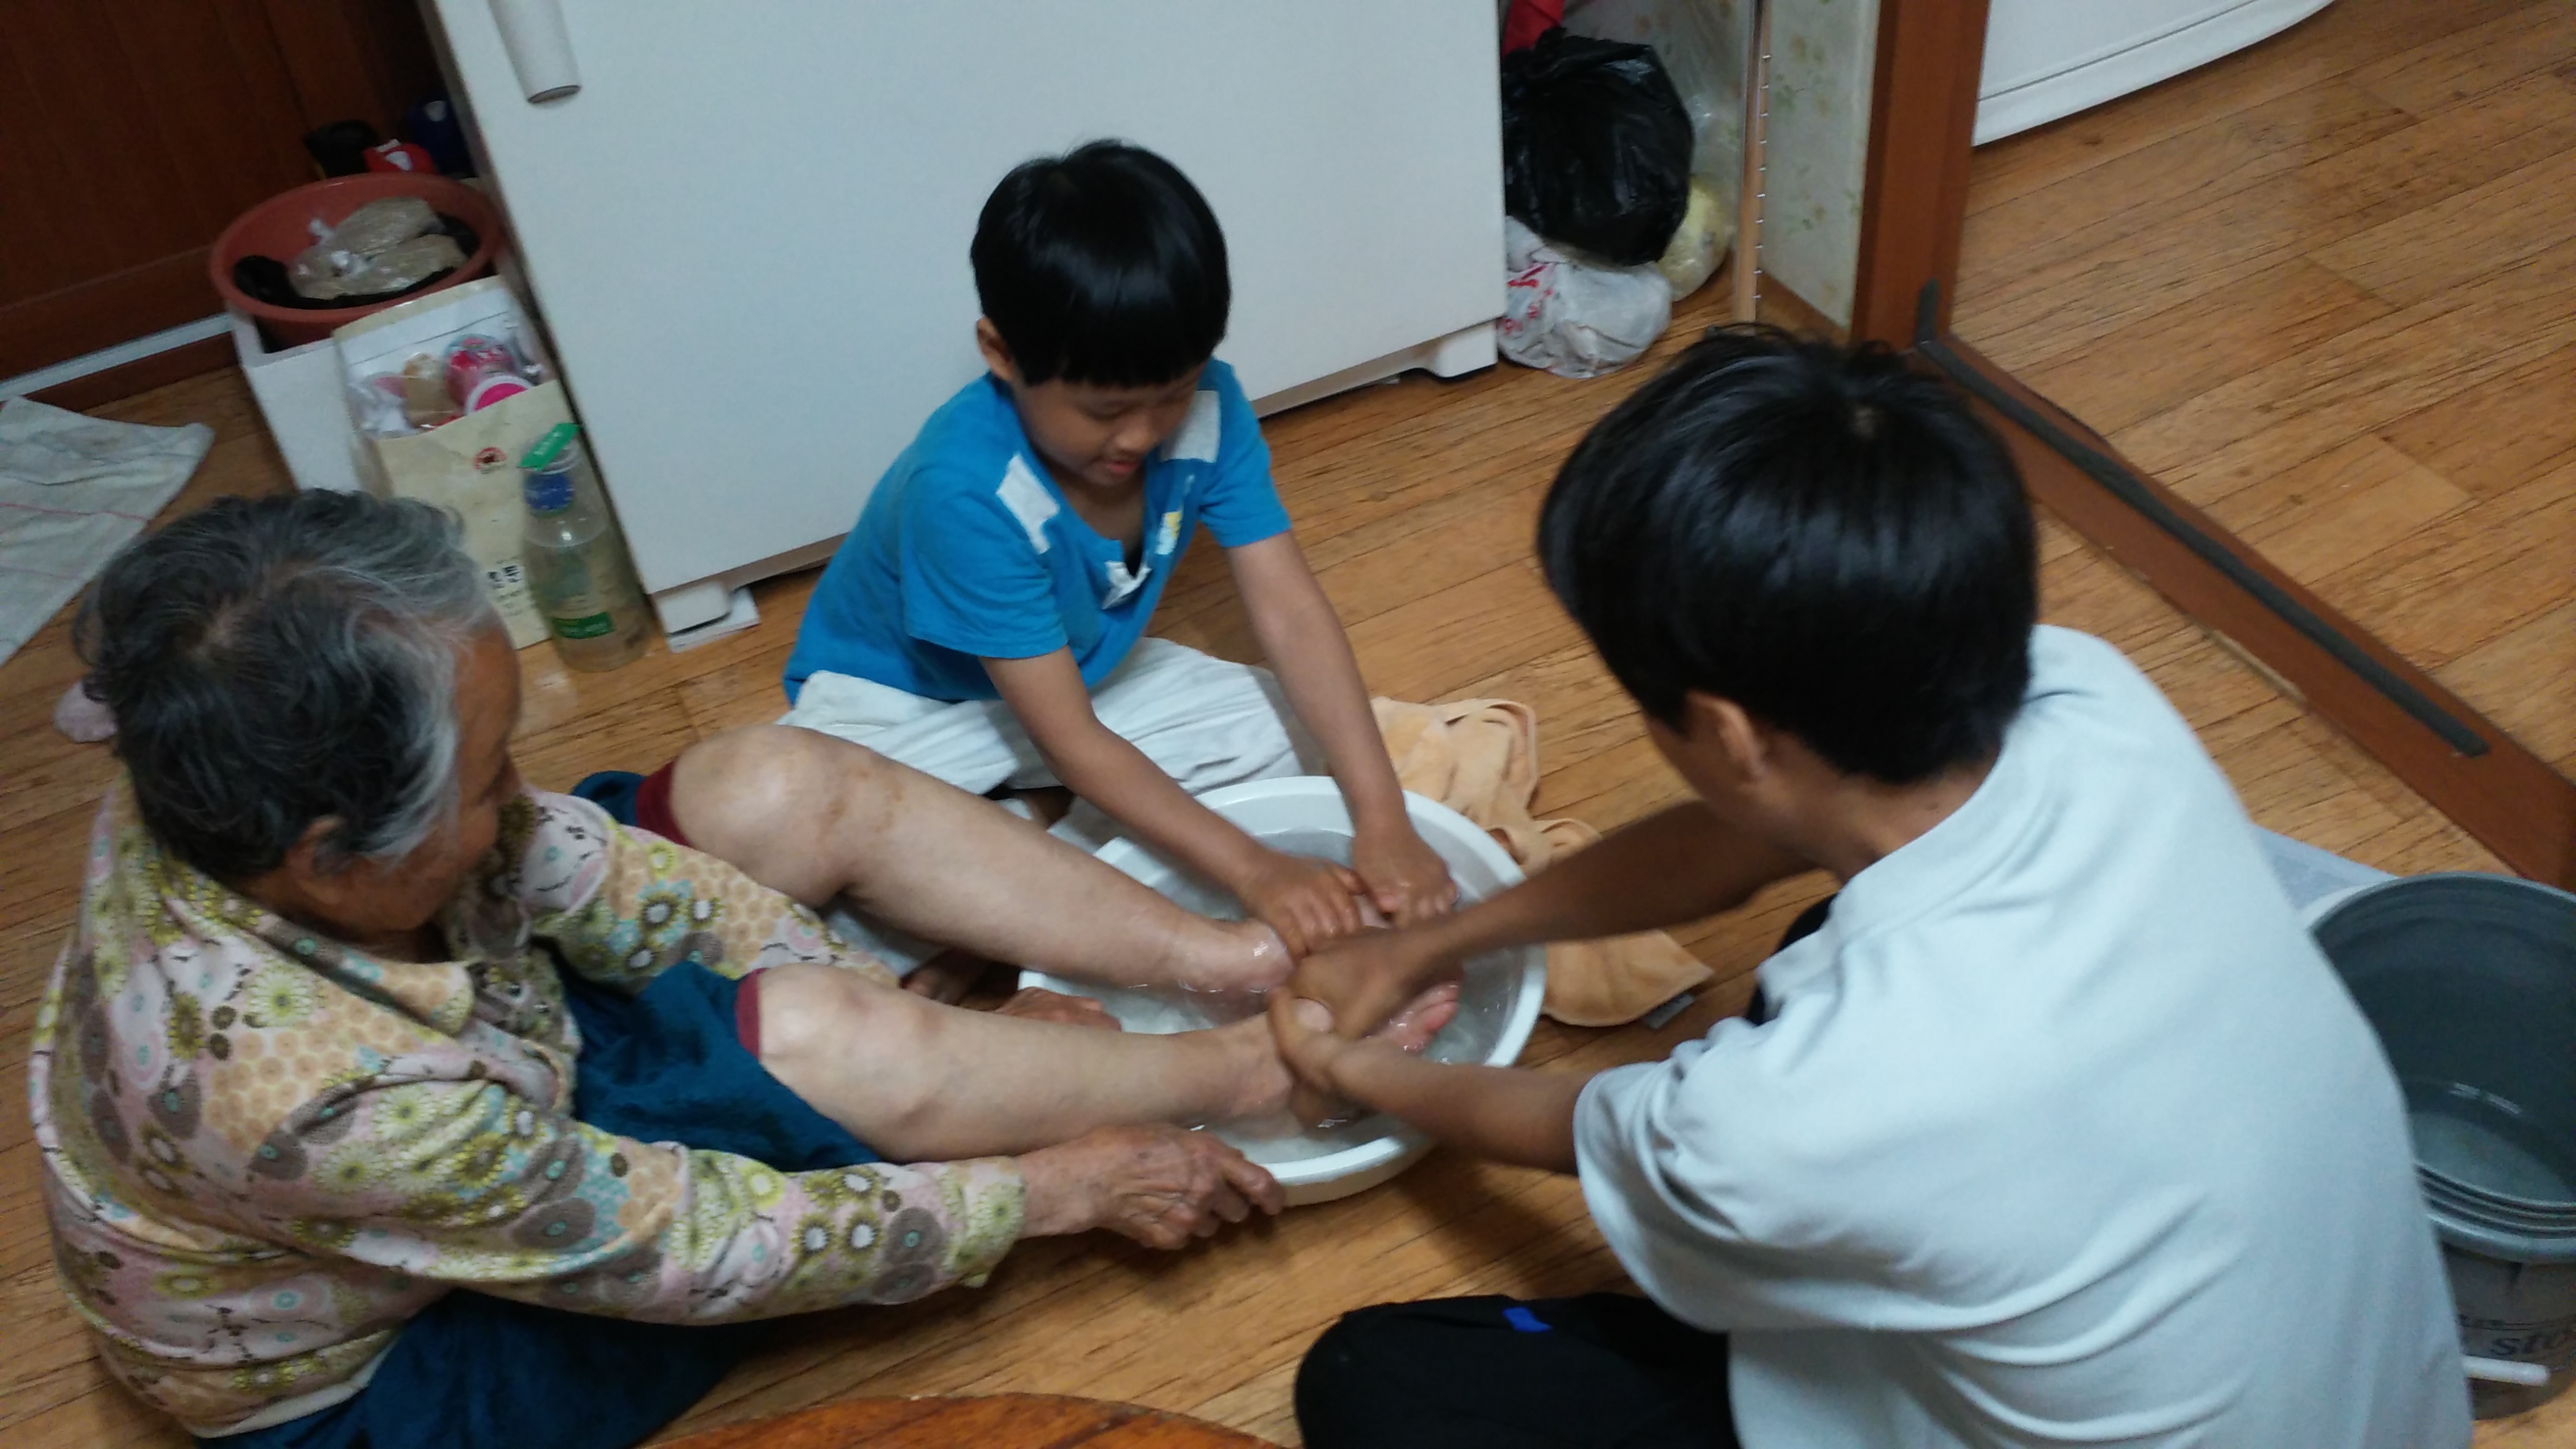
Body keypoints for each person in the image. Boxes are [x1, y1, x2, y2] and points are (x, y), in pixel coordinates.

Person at [29, 490, 1452, 1449]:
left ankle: (1215, 962)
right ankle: (1247, 1069)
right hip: (402, 1364)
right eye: (486, 775)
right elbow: (694, 1246)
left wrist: (884, 987)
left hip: (485, 1047)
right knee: (821, 1044)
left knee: (775, 787)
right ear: (334, 858)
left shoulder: (216, 757)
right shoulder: (314, 1100)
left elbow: (594, 870)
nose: (518, 795)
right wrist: (1051, 1187)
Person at [1268, 328, 2471, 1448]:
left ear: (1728, 734)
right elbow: (1745, 840)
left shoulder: (1792, 1113)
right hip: (2383, 1405)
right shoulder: (2089, 698)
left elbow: (1577, 1128)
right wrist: (1429, 946)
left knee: (1374, 1383)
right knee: (1818, 926)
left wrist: (1346, 1067)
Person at [592, 141, 1456, 993]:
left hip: (1069, 679)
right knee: (795, 907)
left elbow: (1290, 613)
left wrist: (1383, 819)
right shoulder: (966, 490)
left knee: (1285, 729)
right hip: (906, 710)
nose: (1142, 434)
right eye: (1105, 409)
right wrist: (1256, 872)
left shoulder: (1208, 406)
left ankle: (998, 877)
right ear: (1001, 354)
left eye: (1170, 393)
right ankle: (999, 877)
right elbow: (1071, 742)